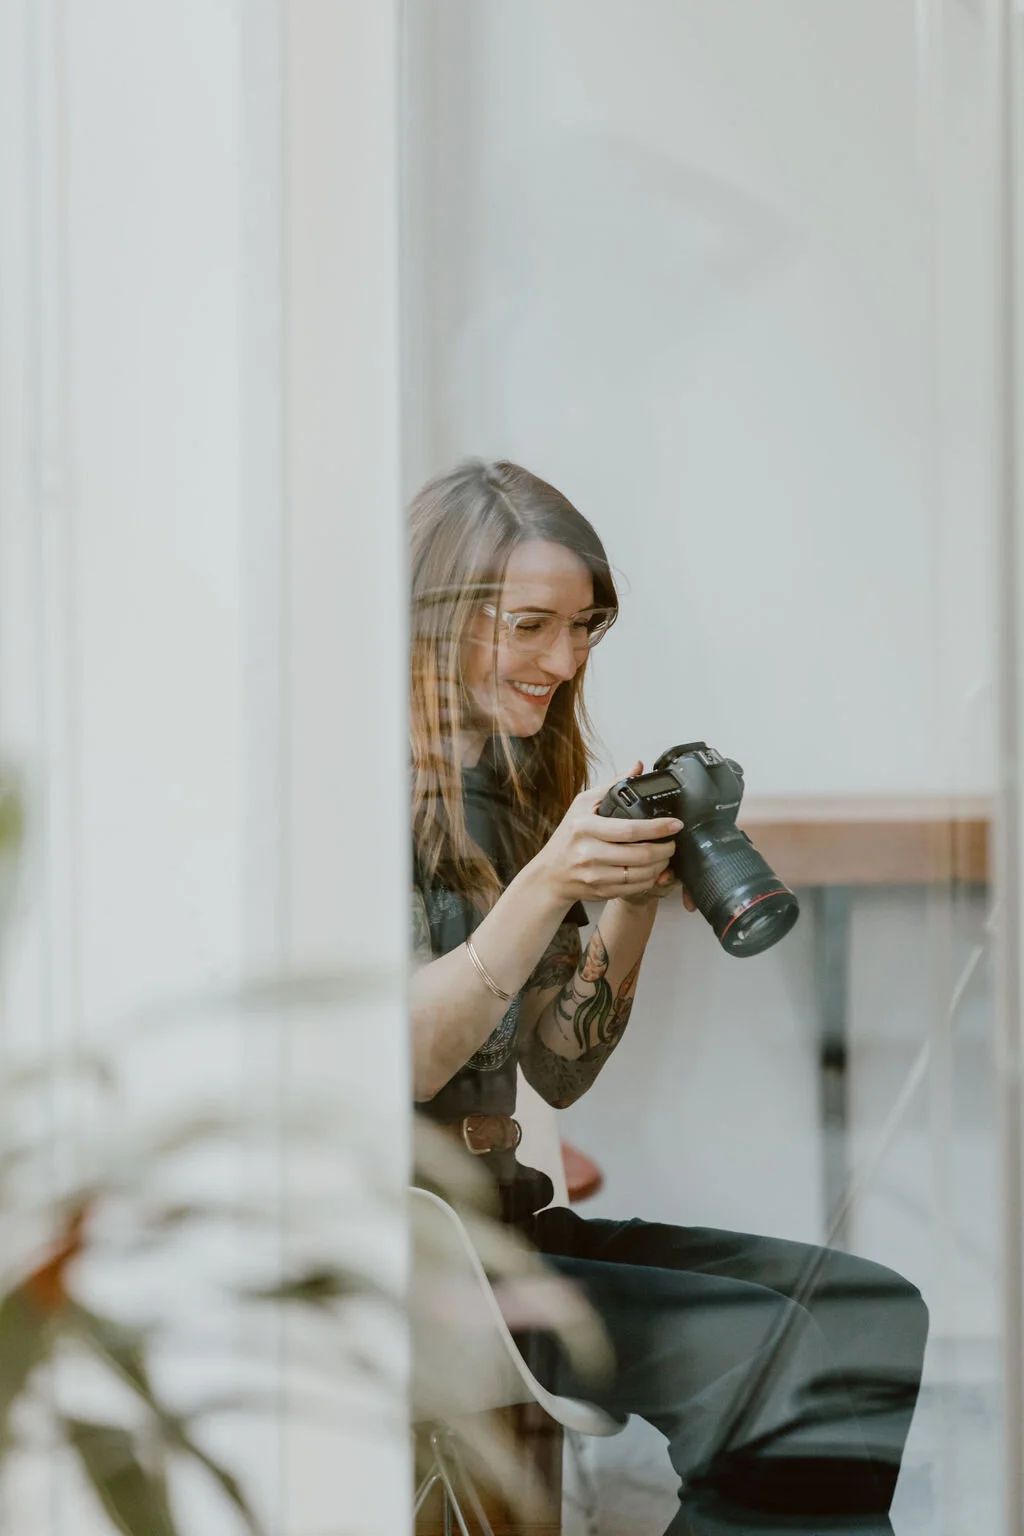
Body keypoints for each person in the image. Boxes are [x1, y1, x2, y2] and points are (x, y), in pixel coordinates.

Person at [409, 458, 927, 1534]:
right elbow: (395, 1061)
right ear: (436, 616)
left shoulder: (513, 788)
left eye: (586, 626)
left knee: (870, 1314)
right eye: (532, 625)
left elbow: (559, 1062)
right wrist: (553, 879)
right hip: (413, 1262)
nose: (565, 660)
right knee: (763, 1363)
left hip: (510, 1229)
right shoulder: (356, 794)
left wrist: (628, 898)